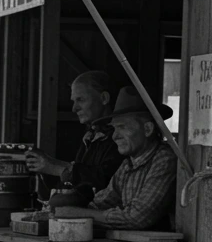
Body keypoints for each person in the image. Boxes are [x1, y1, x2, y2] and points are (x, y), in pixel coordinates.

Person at [50, 87, 178, 230]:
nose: (115, 136)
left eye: (122, 127)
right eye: (114, 128)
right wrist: (66, 210)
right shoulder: (128, 164)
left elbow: (136, 218)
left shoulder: (165, 159)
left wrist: (77, 213)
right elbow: (102, 202)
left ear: (148, 129)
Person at [24, 70, 125, 207]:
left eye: (81, 100)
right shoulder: (91, 136)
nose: (74, 108)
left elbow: (106, 180)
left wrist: (57, 168)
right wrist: (44, 168)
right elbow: (77, 185)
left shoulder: (121, 136)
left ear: (104, 99)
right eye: (73, 101)